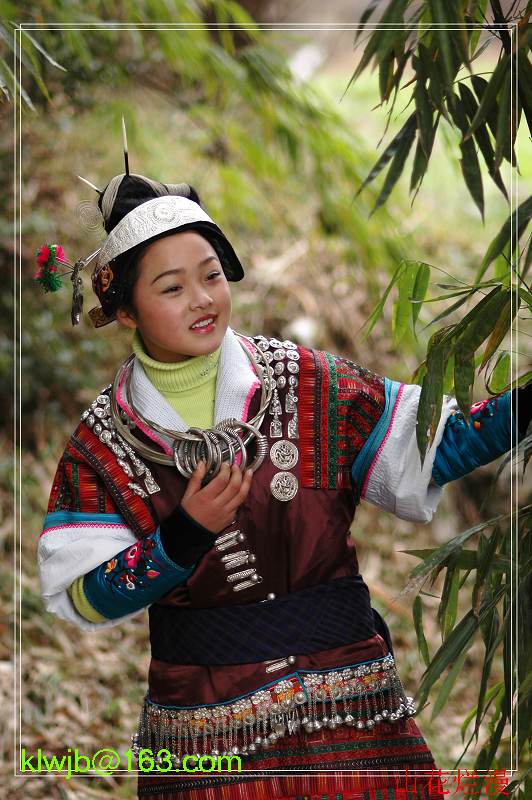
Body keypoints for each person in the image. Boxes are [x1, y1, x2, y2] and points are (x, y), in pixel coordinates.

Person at [37, 168, 530, 800]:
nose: (202, 299)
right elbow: (82, 596)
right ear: (127, 311)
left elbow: (437, 442)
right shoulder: (104, 445)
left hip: (350, 712)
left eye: (212, 275)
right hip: (206, 731)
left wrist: (525, 406)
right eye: (172, 287)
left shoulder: (306, 382)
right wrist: (181, 539)